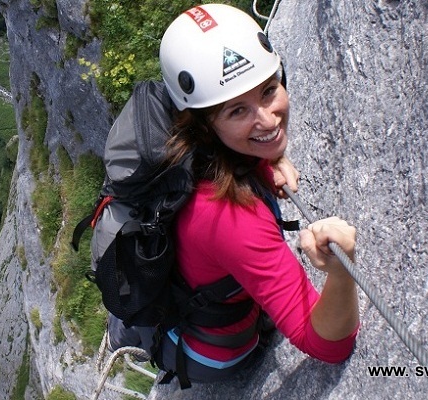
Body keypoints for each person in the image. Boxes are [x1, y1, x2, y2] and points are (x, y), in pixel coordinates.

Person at [108, 3, 360, 385]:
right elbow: (327, 346)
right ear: (206, 127)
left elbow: (258, 133)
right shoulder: (231, 219)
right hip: (215, 352)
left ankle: (124, 329)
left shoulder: (191, 144)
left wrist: (269, 155)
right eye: (238, 111)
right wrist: (342, 272)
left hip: (185, 293)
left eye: (269, 91)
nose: (269, 119)